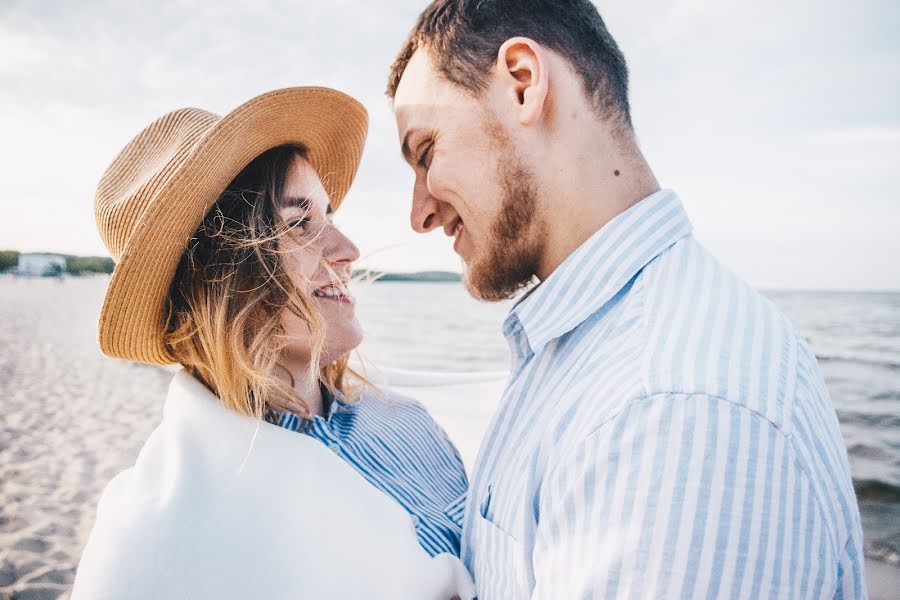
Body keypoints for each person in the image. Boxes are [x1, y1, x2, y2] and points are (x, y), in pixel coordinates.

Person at [387, 1, 866, 598]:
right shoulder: (582, 349)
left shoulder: (669, 409)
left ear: (523, 84)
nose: (420, 212)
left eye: (426, 151)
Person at [71, 87, 474, 600]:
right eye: (299, 223)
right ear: (217, 278)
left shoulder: (405, 418)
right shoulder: (165, 534)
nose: (348, 251)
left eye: (330, 216)